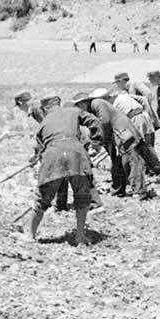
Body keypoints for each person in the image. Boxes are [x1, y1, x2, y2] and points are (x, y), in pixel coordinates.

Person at [30, 96, 101, 246]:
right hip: (77, 156)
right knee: (82, 197)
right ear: (59, 104)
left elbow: (39, 149)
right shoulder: (74, 111)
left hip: (53, 157)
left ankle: (30, 235)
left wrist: (37, 162)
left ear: (44, 109)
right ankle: (80, 236)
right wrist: (96, 142)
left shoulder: (44, 123)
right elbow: (94, 121)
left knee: (42, 199)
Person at [74, 92, 149, 199]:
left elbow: (104, 122)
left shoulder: (97, 103)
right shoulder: (91, 110)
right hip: (115, 137)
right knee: (117, 163)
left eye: (78, 105)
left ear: (84, 102)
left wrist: (100, 140)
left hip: (123, 133)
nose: (79, 108)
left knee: (131, 161)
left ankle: (140, 191)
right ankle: (118, 190)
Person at [97, 86, 160, 178]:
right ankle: (156, 168)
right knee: (144, 146)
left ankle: (152, 170)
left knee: (138, 147)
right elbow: (143, 100)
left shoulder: (113, 104)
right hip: (143, 117)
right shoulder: (122, 96)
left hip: (136, 119)